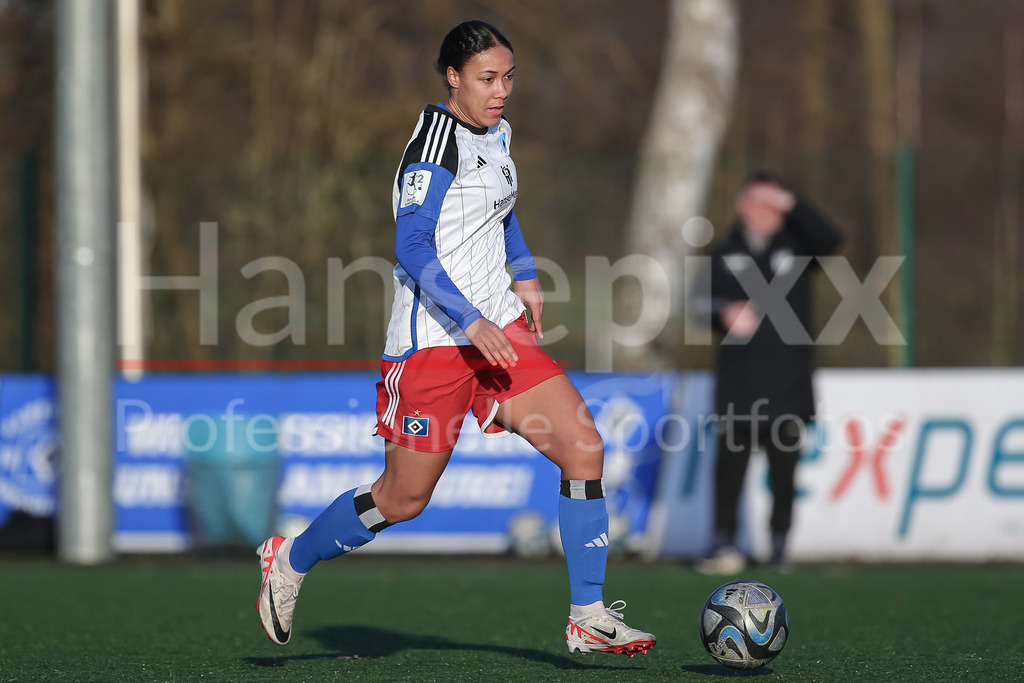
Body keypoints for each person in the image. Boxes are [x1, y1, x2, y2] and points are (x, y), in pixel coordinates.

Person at [256, 20, 656, 657]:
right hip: (434, 345)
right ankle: (290, 559)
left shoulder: (494, 132)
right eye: (487, 79)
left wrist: (522, 276)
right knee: (403, 499)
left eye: (508, 77)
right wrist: (470, 319)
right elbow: (410, 247)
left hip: (499, 331)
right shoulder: (433, 146)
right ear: (453, 77)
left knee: (583, 449)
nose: (502, 91)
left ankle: (588, 614)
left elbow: (502, 208)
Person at [690, 172, 841, 574]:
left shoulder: (798, 248)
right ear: (743, 205)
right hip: (739, 387)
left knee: (784, 472)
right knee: (729, 470)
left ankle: (778, 545)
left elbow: (831, 239)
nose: (766, 212)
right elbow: (698, 305)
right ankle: (722, 542)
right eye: (759, 202)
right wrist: (723, 310)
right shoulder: (723, 253)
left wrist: (791, 201)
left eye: (774, 204)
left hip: (789, 386)